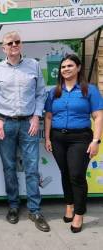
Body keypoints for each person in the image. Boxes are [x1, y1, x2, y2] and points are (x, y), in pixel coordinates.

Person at [0, 31, 50, 232]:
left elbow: (41, 94)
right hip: (6, 124)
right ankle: (13, 206)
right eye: (9, 43)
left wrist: (37, 115)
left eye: (17, 42)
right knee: (9, 167)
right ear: (3, 48)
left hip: (29, 124)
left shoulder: (34, 65)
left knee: (31, 167)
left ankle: (34, 210)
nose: (13, 45)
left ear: (21, 45)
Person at [44, 54, 103, 233]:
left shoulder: (89, 90)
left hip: (81, 138)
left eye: (70, 66)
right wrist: (47, 138)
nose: (66, 69)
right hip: (58, 138)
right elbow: (48, 116)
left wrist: (96, 141)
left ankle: (79, 212)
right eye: (63, 67)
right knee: (65, 173)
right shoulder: (54, 92)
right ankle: (69, 205)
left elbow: (98, 116)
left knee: (76, 175)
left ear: (78, 68)